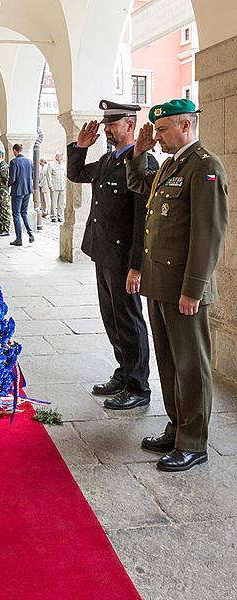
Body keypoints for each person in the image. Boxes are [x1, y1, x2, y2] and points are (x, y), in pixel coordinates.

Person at [126, 98, 228, 472]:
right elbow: (138, 183)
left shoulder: (205, 167)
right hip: (160, 283)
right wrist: (138, 153)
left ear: (186, 126)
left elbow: (209, 234)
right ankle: (176, 425)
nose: (158, 136)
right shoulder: (172, 165)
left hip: (184, 288)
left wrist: (194, 289)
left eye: (164, 129)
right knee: (168, 362)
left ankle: (194, 441)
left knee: (191, 365)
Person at [67, 100, 158, 410]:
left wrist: (137, 267)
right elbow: (77, 173)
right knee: (112, 317)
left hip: (122, 257)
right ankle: (123, 371)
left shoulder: (143, 163)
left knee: (129, 319)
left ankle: (138, 385)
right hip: (102, 251)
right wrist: (80, 147)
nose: (106, 129)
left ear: (130, 125)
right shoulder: (108, 160)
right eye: (106, 123)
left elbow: (142, 220)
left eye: (112, 124)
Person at [8, 143, 34, 246]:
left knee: (16, 214)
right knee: (24, 213)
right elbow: (32, 176)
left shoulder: (14, 162)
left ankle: (19, 239)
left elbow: (12, 178)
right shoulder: (29, 161)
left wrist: (7, 184)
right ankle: (30, 232)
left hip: (18, 191)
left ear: (15, 150)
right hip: (27, 190)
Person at [47, 152, 66, 222]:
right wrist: (50, 186)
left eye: (62, 156)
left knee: (61, 203)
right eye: (60, 156)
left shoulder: (63, 165)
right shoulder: (51, 164)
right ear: (56, 157)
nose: (62, 157)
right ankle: (53, 216)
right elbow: (48, 176)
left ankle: (60, 216)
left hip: (62, 186)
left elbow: (65, 175)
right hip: (54, 186)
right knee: (54, 202)